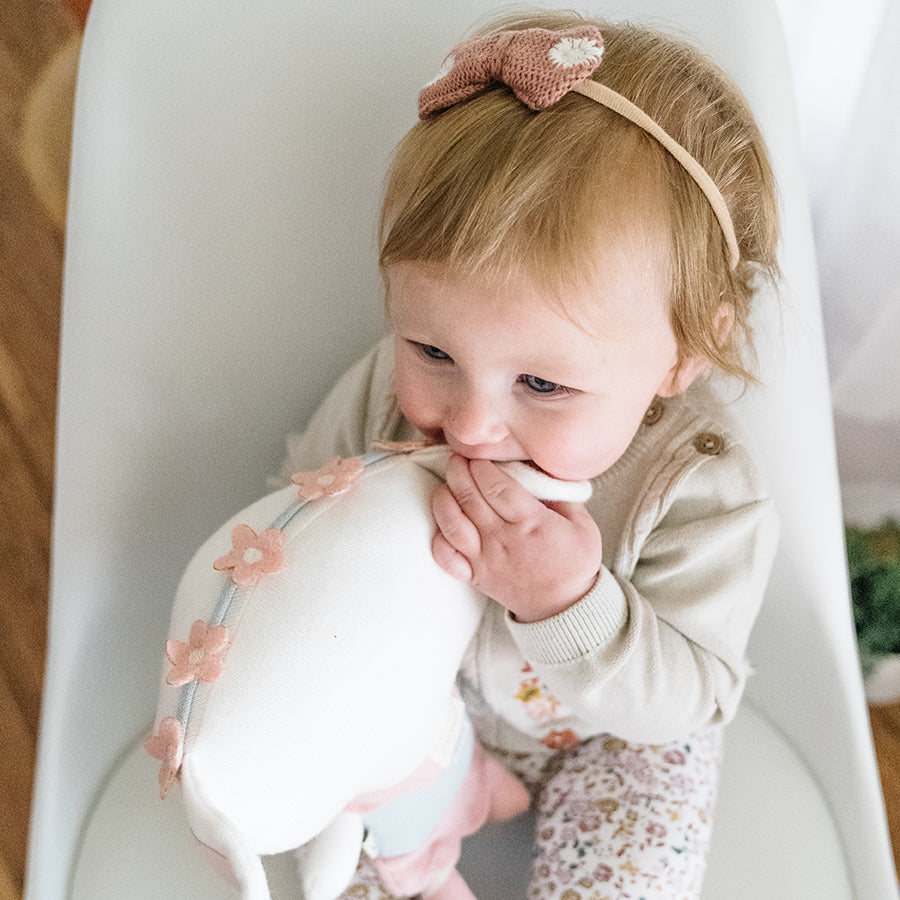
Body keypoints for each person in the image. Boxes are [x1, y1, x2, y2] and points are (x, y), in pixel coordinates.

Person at [282, 9, 780, 899]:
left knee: (641, 847)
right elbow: (295, 514)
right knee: (329, 839)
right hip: (418, 704)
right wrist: (342, 528)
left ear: (683, 355)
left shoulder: (700, 489)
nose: (469, 425)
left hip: (615, 739)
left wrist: (567, 601)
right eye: (432, 352)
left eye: (542, 386)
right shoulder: (379, 394)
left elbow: (691, 697)